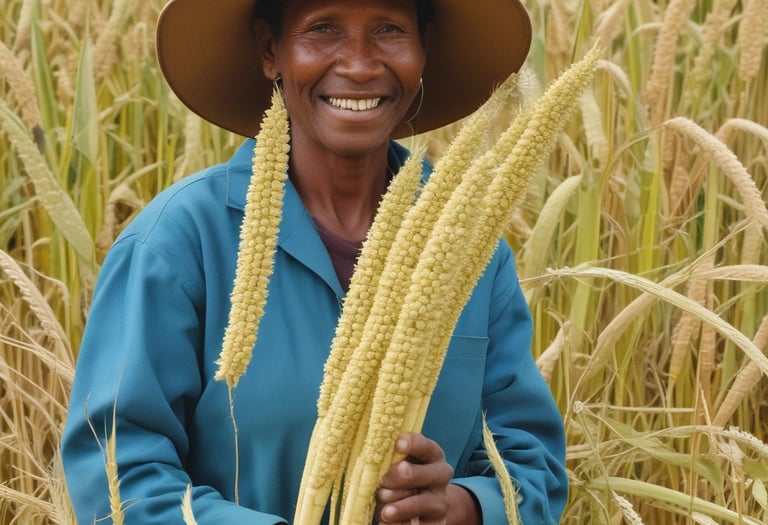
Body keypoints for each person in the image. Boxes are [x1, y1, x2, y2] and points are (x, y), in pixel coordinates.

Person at [61, 0, 569, 523]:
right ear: (269, 49)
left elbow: (533, 467)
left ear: (424, 50)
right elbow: (116, 478)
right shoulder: (175, 243)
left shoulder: (473, 248)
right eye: (323, 29)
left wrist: (461, 506)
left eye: (390, 30)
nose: (359, 64)